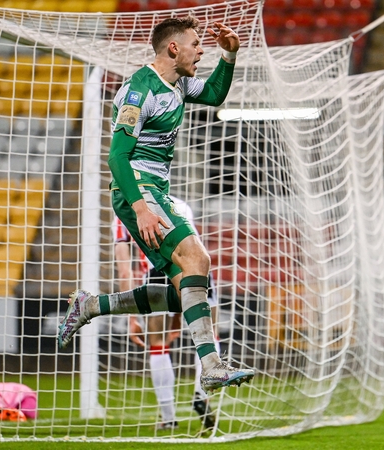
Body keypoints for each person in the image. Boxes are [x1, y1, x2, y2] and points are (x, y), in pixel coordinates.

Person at [58, 16, 254, 394]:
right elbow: (117, 157)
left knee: (186, 292)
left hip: (157, 190)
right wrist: (141, 207)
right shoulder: (139, 91)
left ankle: (92, 306)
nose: (201, 51)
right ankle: (212, 367)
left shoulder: (177, 84)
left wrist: (229, 58)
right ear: (174, 48)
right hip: (138, 189)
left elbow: (213, 94)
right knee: (198, 261)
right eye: (196, 44)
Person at [113, 196, 217, 431]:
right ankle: (202, 394)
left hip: (157, 271)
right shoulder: (179, 205)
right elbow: (191, 249)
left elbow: (124, 268)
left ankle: (168, 417)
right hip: (196, 271)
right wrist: (181, 317)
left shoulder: (123, 211)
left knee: (158, 343)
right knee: (210, 334)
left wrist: (132, 316)